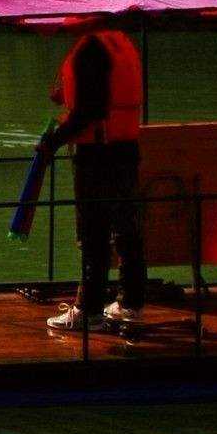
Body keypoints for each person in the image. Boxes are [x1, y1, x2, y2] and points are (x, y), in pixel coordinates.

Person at [41, 23, 147, 338]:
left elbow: (90, 111)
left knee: (93, 233)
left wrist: (52, 142)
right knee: (127, 230)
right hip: (126, 148)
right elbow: (105, 96)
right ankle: (131, 302)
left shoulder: (90, 49)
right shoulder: (121, 42)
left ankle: (88, 311)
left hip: (97, 153)